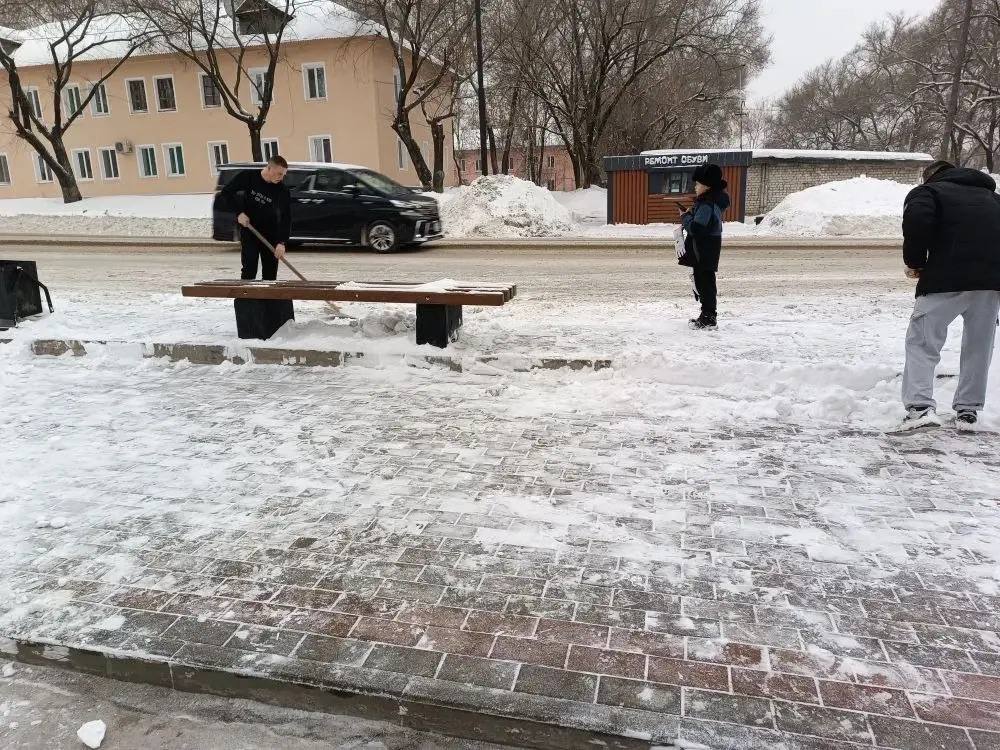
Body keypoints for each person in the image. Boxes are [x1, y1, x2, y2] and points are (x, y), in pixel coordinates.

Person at [896, 159, 1000, 432]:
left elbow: (917, 221)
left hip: (943, 279)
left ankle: (920, 408)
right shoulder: (993, 198)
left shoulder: (928, 193)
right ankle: (968, 411)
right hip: (990, 284)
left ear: (931, 177)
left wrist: (916, 262)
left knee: (922, 341)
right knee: (980, 346)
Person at [220, 155, 292, 280]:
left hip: (271, 236)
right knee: (249, 269)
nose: (281, 178)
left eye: (283, 175)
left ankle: (269, 299)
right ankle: (246, 298)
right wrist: (239, 213)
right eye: (279, 174)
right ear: (269, 168)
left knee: (270, 274)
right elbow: (226, 192)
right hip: (250, 231)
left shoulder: (282, 190)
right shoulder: (248, 177)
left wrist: (281, 242)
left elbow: (286, 217)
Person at [679, 164, 731, 330]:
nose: (695, 187)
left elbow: (697, 229)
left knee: (705, 284)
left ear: (707, 186)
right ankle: (707, 315)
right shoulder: (710, 202)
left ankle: (708, 318)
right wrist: (692, 213)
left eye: (697, 184)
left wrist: (685, 217)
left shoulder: (707, 204)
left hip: (704, 249)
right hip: (708, 248)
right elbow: (704, 223)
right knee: (705, 282)